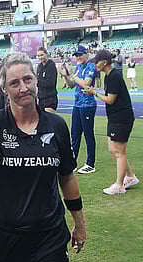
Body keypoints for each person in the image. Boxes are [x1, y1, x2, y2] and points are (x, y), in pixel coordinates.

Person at [0, 51, 87, 262]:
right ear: (5, 89)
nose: (23, 87)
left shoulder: (56, 125)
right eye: (14, 83)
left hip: (49, 237)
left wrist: (80, 224)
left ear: (36, 80)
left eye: (27, 79)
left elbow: (67, 177)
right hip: (3, 237)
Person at [86, 49, 139, 195]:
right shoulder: (109, 76)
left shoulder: (114, 76)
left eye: (97, 61)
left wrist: (94, 93)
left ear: (104, 62)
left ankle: (119, 185)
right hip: (115, 117)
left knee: (119, 151)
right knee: (114, 149)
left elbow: (110, 100)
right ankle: (130, 177)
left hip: (121, 118)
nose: (95, 64)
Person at [59, 45, 97, 174]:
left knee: (88, 134)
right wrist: (65, 76)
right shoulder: (79, 67)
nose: (78, 57)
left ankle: (90, 163)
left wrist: (71, 74)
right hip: (78, 104)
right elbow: (71, 85)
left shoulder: (90, 67)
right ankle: (72, 161)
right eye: (76, 55)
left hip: (87, 105)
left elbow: (85, 84)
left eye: (80, 55)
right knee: (75, 134)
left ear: (86, 54)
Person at [37, 47, 58, 113]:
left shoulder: (51, 66)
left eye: (42, 55)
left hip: (50, 98)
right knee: (42, 122)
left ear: (46, 54)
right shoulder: (39, 66)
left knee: (49, 121)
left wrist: (37, 82)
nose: (40, 57)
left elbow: (50, 83)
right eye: (38, 56)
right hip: (41, 99)